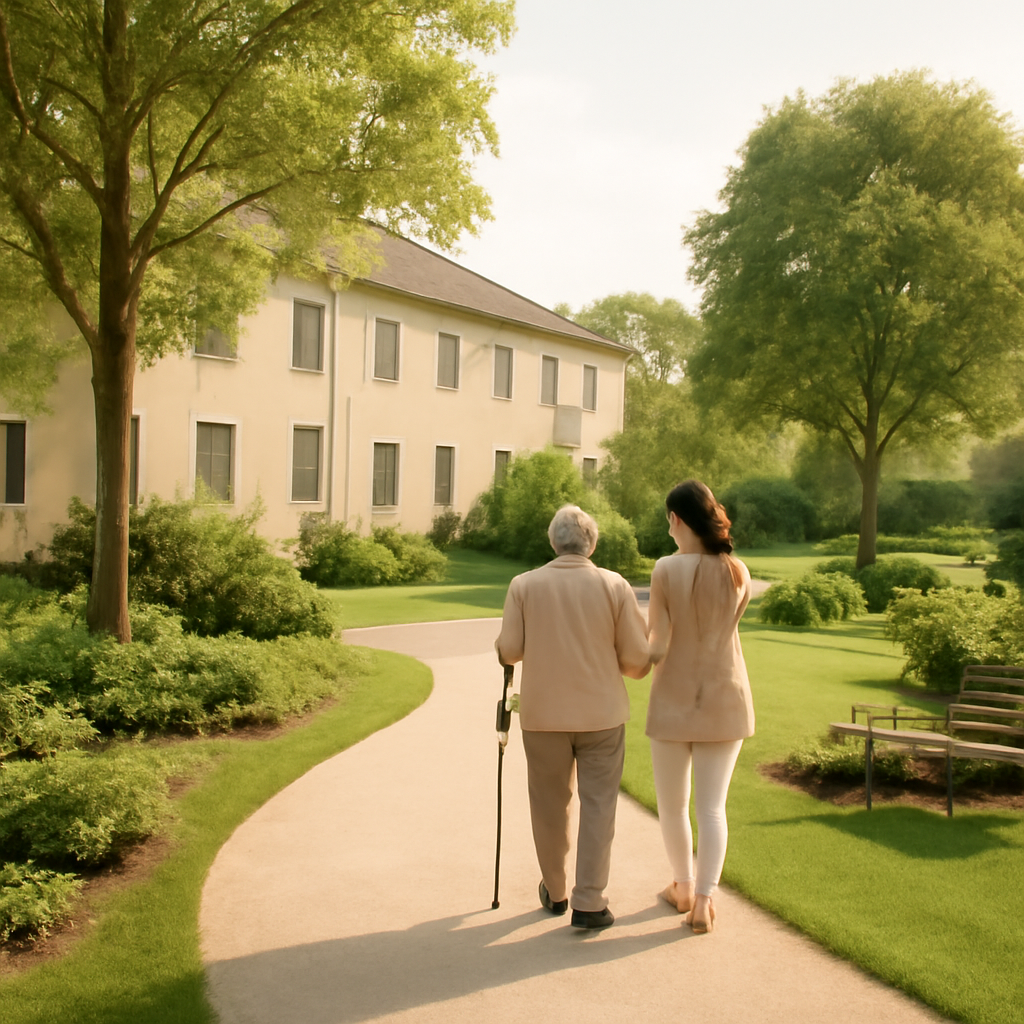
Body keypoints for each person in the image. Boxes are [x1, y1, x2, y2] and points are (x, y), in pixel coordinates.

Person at [496, 505, 650, 930]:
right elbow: (637, 662)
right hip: (602, 716)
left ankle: (556, 889)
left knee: (549, 806)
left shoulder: (524, 585)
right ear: (592, 544)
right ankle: (590, 900)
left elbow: (509, 650)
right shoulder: (614, 585)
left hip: (544, 717)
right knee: (599, 805)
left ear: (553, 543)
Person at [646, 480, 754, 934]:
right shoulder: (737, 570)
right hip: (727, 697)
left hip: (673, 698)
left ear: (675, 519)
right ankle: (704, 903)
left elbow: (657, 645)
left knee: (673, 806)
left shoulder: (665, 569)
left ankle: (684, 887)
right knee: (713, 808)